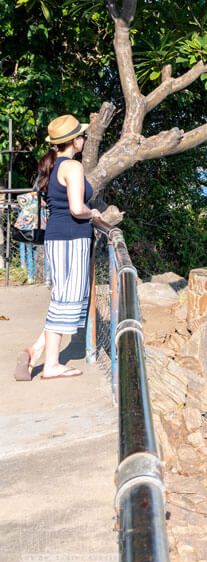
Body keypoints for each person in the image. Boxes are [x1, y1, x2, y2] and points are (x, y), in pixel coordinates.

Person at [13, 115, 103, 381]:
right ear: (75, 140)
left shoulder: (55, 165)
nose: (84, 139)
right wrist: (93, 213)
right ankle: (51, 365)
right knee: (68, 299)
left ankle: (36, 351)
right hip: (72, 237)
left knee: (63, 297)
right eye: (82, 136)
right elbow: (76, 208)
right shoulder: (72, 167)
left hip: (57, 237)